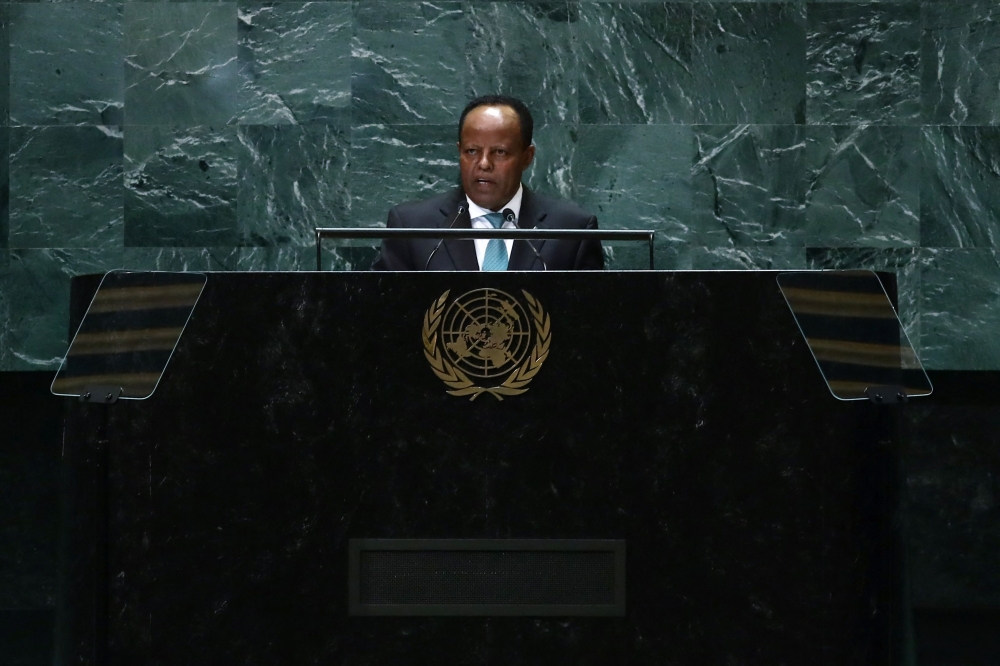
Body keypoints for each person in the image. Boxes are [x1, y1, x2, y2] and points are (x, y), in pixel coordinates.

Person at [372, 95, 604, 271]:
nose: (484, 164)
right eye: (472, 151)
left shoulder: (572, 231)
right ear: (459, 152)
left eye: (500, 152)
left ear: (527, 157)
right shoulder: (411, 228)